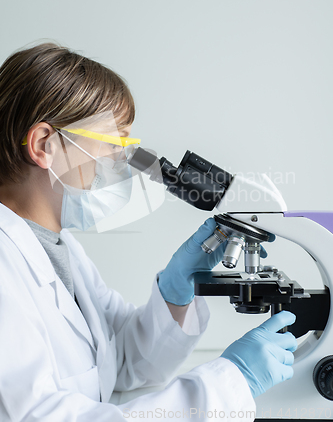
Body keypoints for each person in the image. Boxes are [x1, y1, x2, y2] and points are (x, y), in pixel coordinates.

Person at [0, 42, 297, 421]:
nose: (123, 163)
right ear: (45, 145)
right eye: (114, 144)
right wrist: (230, 383)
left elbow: (121, 361)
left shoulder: (60, 248)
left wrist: (175, 292)